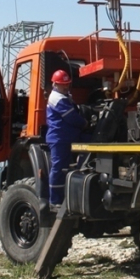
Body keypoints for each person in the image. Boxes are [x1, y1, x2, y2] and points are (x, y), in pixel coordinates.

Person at [45, 69, 89, 208]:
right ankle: (55, 200)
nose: (66, 86)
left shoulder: (63, 96)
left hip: (66, 137)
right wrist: (85, 123)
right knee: (58, 168)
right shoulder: (57, 99)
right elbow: (71, 117)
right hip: (59, 138)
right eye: (62, 84)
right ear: (55, 84)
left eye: (67, 84)